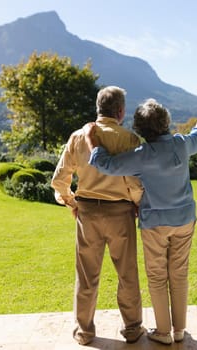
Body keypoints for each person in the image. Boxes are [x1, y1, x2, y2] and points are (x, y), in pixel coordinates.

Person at [84, 98, 197, 345]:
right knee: (179, 274)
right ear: (166, 122)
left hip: (155, 224)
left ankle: (163, 332)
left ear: (140, 128)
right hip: (184, 219)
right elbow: (196, 139)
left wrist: (92, 140)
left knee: (157, 276)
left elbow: (105, 164)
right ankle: (179, 330)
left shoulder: (141, 155)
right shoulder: (181, 145)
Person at [51, 86, 145, 346]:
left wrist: (72, 203)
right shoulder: (128, 138)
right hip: (121, 213)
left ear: (98, 108)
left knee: (86, 275)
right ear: (120, 111)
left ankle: (84, 332)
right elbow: (135, 183)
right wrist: (137, 204)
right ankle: (133, 329)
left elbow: (59, 181)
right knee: (127, 274)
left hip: (88, 213)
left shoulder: (78, 137)